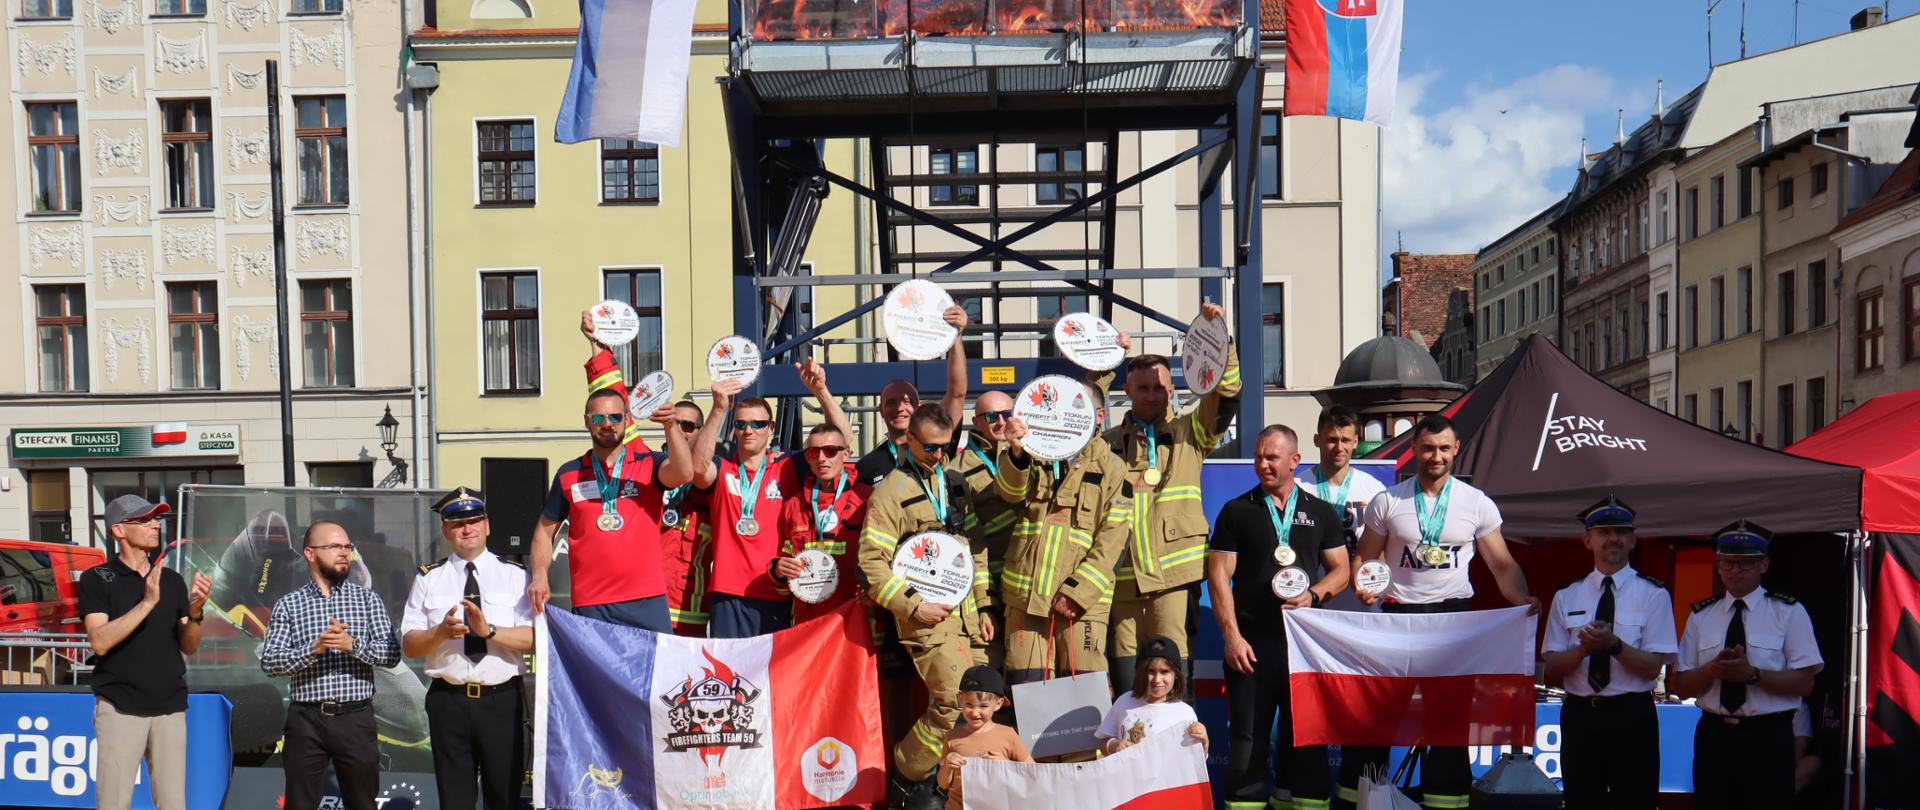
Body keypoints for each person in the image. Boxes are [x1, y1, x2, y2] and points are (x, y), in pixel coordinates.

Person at [1353, 413, 1538, 810]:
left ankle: (1447, 804)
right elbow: (1365, 560)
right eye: (1427, 448)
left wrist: (1520, 599)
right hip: (1400, 618)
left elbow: (1502, 565)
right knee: (1379, 721)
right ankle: (1367, 802)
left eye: (1442, 448)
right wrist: (1366, 586)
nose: (1435, 456)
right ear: (1414, 450)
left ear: (1456, 450)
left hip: (1454, 620)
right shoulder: (1388, 501)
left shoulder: (1476, 503)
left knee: (1449, 726)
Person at [1091, 304, 1241, 690]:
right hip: (1121, 582)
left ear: (1172, 388)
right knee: (1129, 685)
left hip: (1174, 581)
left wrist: (1221, 339)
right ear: (1128, 389)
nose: (1153, 395)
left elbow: (1225, 395)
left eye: (1160, 387)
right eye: (1143, 387)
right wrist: (1104, 368)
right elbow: (1078, 420)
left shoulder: (1192, 431)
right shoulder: (1106, 445)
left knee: (1172, 684)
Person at [857, 403, 993, 809]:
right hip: (927, 621)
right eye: (930, 448)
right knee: (954, 704)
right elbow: (870, 565)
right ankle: (904, 776)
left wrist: (984, 607)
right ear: (910, 440)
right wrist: (913, 607)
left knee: (981, 703)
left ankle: (956, 791)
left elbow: (976, 551)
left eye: (945, 447)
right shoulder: (889, 494)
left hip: (969, 617)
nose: (938, 455)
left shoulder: (954, 481)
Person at [1207, 426, 1346, 810]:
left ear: (1294, 461)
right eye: (1258, 457)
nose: (1262, 464)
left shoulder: (1320, 512)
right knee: (1248, 738)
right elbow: (1218, 577)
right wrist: (1232, 638)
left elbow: (1341, 570)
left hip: (1304, 648)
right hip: (1252, 646)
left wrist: (1314, 595)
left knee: (1305, 737)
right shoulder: (1237, 511)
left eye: (1271, 457)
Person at [526, 360, 710, 630]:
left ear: (626, 420)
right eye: (598, 418)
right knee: (596, 674)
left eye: (615, 417)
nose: (607, 424)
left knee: (654, 672)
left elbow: (683, 474)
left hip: (646, 599)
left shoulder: (649, 463)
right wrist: (540, 574)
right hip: (592, 601)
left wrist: (670, 426)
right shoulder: (569, 473)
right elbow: (544, 531)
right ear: (587, 423)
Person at [688, 358, 852, 637]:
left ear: (771, 428)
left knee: (768, 677)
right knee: (730, 675)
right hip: (728, 592)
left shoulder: (786, 466)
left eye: (757, 424)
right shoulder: (723, 468)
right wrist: (718, 410)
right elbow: (696, 469)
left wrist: (822, 392)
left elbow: (842, 442)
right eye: (740, 424)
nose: (748, 430)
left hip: (776, 589)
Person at [576, 309, 711, 635]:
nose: (679, 429)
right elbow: (613, 402)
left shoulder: (715, 477)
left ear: (701, 430)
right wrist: (598, 345)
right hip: (638, 610)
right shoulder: (643, 463)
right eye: (673, 421)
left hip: (690, 618)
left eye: (688, 425)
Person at [1672, 520, 1823, 810]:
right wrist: (1710, 671)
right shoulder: (1701, 616)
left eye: (1745, 564)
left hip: (1767, 736)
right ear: (1718, 565)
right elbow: (1680, 686)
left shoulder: (1788, 612)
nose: (1735, 571)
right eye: (1728, 563)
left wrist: (1751, 675)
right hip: (1714, 735)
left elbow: (1805, 683)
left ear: (1763, 565)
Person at [401, 488, 536, 810]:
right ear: (446, 530)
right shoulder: (428, 578)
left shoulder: (515, 575)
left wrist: (488, 631)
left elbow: (533, 639)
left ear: (488, 526)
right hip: (449, 700)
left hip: (500, 700)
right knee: (455, 799)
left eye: (475, 520)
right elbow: (409, 644)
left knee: (503, 797)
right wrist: (439, 633)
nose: (468, 528)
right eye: (458, 523)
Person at [1539, 495, 1677, 810]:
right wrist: (1585, 649)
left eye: (1620, 531)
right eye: (1604, 532)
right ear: (1588, 541)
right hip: (1581, 715)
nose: (1613, 538)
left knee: (1635, 801)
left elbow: (1652, 667)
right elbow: (1553, 667)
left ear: (1633, 539)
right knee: (1581, 800)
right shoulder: (1567, 595)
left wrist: (1613, 645)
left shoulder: (1654, 595)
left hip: (1631, 715)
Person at [79, 494, 212, 810]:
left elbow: (189, 646)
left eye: (156, 519)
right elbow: (99, 641)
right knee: (114, 803)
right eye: (144, 520)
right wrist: (148, 602)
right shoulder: (97, 578)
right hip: (120, 706)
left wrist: (195, 613)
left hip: (170, 707)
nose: (155, 525)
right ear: (119, 531)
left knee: (173, 804)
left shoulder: (173, 580)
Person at [260, 521, 403, 810]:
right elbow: (270, 662)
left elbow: (392, 654)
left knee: (362, 803)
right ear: (310, 554)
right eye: (335, 547)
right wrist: (314, 649)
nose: (345, 554)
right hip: (306, 720)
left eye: (348, 547)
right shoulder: (289, 604)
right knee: (299, 804)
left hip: (356, 717)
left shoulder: (367, 600)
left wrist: (353, 645)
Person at [992, 406, 1129, 686]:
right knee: (1026, 686)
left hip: (1083, 605)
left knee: (1082, 690)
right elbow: (1008, 494)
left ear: (1098, 415)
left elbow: (1112, 542)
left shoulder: (1113, 467)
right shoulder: (1032, 452)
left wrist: (1078, 594)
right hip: (1025, 598)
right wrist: (1017, 454)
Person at [855, 306, 972, 487]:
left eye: (907, 401)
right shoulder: (868, 466)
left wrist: (955, 335)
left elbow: (957, 393)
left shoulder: (938, 444)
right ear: (881, 410)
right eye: (891, 402)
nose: (899, 408)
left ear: (919, 406)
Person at [772, 423, 870, 623]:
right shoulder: (793, 505)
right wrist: (778, 571)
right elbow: (786, 564)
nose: (822, 459)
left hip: (857, 617)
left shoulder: (867, 499)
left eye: (831, 451)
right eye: (814, 452)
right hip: (810, 622)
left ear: (846, 454)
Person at [1294, 405, 1387, 614]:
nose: (1339, 447)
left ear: (1355, 442)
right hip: (1311, 603)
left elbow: (1384, 545)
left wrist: (1377, 585)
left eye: (1345, 440)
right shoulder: (1297, 488)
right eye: (1332, 440)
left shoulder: (1374, 489)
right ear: (1317, 440)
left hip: (1362, 603)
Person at [953, 390, 1020, 668]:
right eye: (992, 416)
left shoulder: (1033, 454)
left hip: (1035, 580)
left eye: (1007, 414)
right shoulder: (957, 473)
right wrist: (986, 605)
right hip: (996, 581)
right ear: (975, 421)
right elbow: (970, 544)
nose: (1002, 421)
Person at [937, 665, 1033, 810]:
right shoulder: (952, 737)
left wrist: (1006, 765)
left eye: (983, 706)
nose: (975, 713)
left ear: (998, 704)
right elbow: (943, 784)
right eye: (969, 704)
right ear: (961, 699)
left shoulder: (1008, 734)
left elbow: (1033, 772)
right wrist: (948, 766)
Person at [1094, 636, 1210, 756]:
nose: (1157, 679)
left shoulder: (1185, 712)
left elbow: (1194, 762)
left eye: (1164, 672)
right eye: (1151, 671)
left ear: (1176, 675)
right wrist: (1114, 746)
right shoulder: (1124, 701)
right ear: (1140, 672)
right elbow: (1104, 742)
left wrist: (1204, 742)